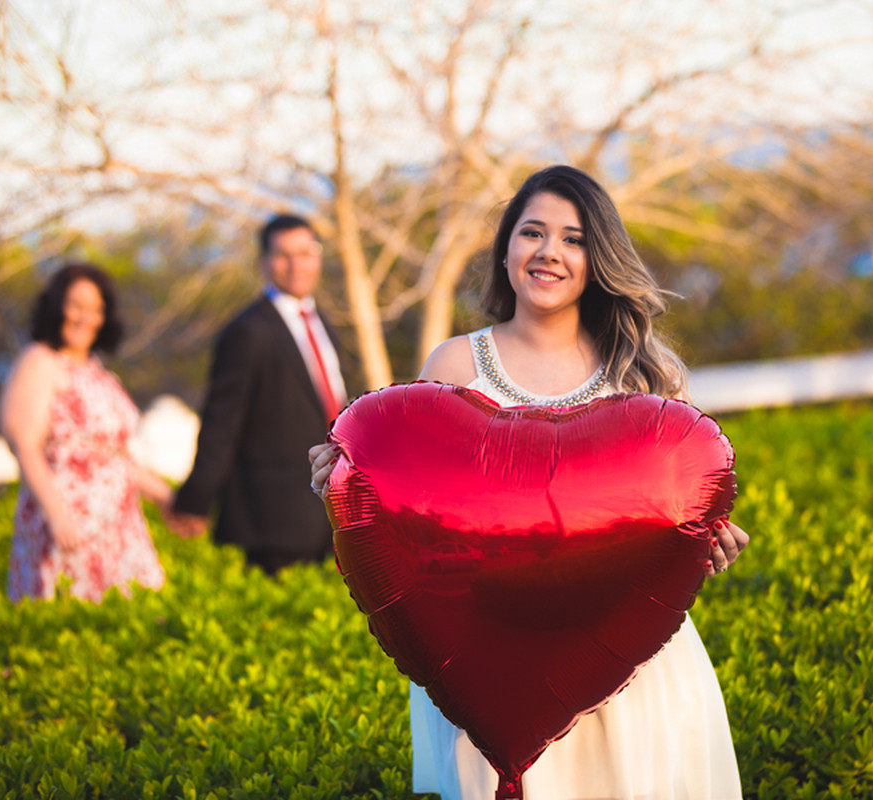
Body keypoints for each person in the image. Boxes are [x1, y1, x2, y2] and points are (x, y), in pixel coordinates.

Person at [312, 165, 748, 799]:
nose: (549, 252)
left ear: (598, 258)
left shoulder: (647, 375)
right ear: (506, 249)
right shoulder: (454, 364)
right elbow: (414, 510)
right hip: (484, 665)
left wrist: (708, 546)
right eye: (532, 232)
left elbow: (673, 517)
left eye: (573, 238)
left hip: (625, 665)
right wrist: (345, 491)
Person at [168, 214, 346, 575]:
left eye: (305, 252)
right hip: (270, 521)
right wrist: (194, 501)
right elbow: (221, 423)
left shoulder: (323, 322)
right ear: (263, 261)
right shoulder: (248, 331)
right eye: (283, 255)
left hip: (327, 513)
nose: (296, 264)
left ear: (318, 257)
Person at [0, 262, 173, 602]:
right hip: (68, 528)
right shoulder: (40, 361)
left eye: (95, 309)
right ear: (56, 307)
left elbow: (114, 457)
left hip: (119, 529)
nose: (84, 317)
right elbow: (25, 444)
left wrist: (167, 498)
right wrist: (58, 516)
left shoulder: (97, 371)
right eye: (75, 305)